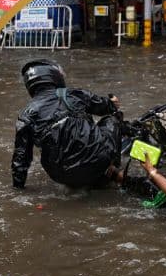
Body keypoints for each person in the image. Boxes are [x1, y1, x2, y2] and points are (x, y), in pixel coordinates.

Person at [12, 59, 123, 189]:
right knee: (112, 120)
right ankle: (113, 169)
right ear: (54, 76)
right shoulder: (74, 94)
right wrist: (112, 103)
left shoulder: (25, 115)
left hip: (60, 176)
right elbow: (106, 108)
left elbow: (20, 159)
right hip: (97, 162)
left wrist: (18, 188)